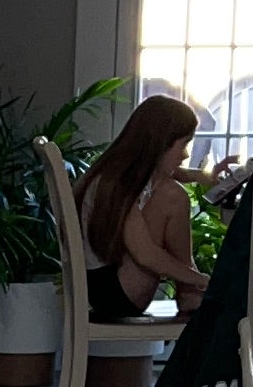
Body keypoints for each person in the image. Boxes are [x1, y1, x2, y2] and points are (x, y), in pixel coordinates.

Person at [76, 87, 206, 323]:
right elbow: (145, 255)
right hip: (114, 293)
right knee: (171, 195)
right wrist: (202, 280)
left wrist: (204, 176)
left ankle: (189, 291)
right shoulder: (118, 183)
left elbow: (174, 171)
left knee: (170, 188)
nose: (185, 155)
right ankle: (190, 292)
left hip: (103, 286)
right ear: (160, 144)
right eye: (183, 145)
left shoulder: (118, 171)